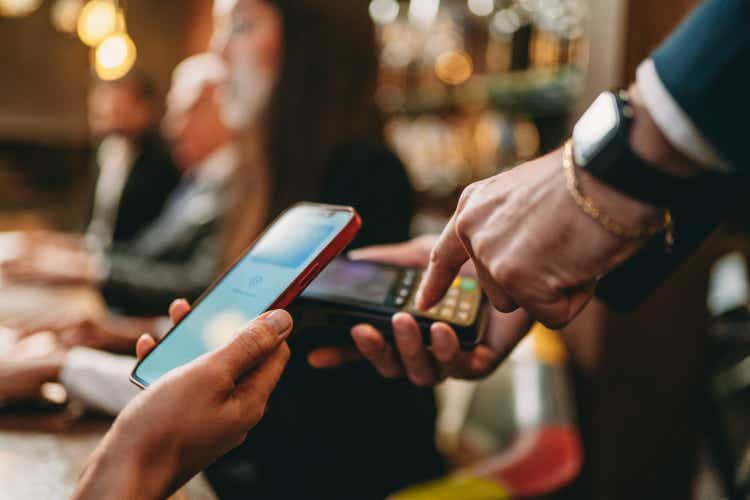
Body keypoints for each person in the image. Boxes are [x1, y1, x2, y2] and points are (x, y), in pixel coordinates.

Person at [203, 1, 442, 498]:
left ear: (310, 48)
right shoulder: (274, 172)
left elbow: (298, 392)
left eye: (242, 27)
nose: (218, 50)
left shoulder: (364, 171)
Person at [1, 54, 237, 317]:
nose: (171, 127)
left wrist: (91, 272)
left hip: (135, 313)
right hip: (121, 295)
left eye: (186, 110)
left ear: (227, 108)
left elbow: (199, 287)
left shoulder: (228, 184)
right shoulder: (200, 179)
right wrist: (72, 253)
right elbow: (146, 249)